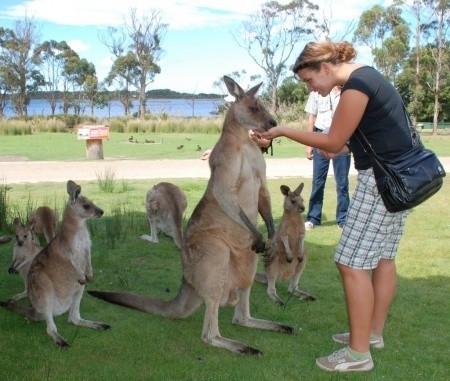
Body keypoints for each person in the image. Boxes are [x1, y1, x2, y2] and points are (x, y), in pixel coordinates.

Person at [259, 40, 412, 372]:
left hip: (382, 183)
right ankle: (371, 335)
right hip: (401, 180)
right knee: (384, 258)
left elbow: (331, 140)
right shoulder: (368, 78)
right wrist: (339, 150)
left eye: (309, 81)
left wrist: (283, 130)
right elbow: (354, 141)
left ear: (324, 68)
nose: (311, 88)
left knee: (350, 262)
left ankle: (358, 356)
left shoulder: (356, 85)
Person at [303, 86, 351, 230]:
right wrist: (309, 144)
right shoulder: (317, 92)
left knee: (342, 183)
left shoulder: (348, 91)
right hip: (320, 137)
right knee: (318, 181)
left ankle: (343, 219)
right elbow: (312, 118)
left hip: (341, 139)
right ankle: (313, 218)